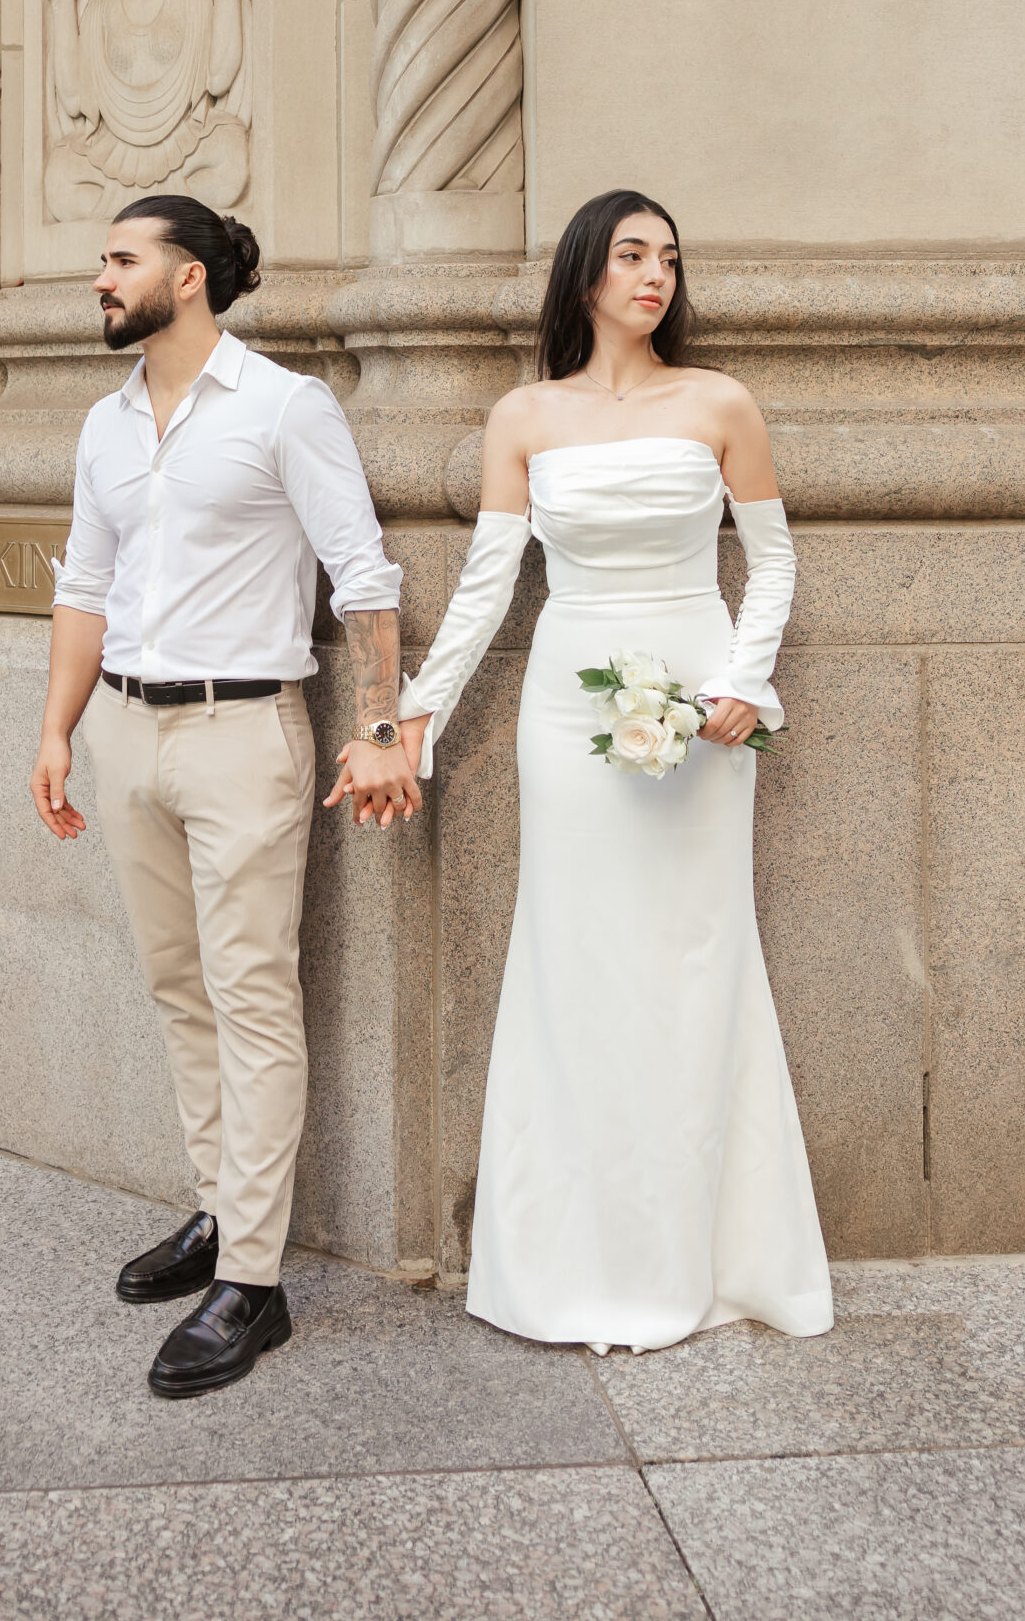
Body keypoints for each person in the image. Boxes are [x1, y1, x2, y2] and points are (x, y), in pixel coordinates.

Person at [330, 188, 833, 1352]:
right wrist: (411, 722)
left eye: (668, 255)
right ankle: (570, 1258)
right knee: (573, 957)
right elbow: (486, 592)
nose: (654, 274)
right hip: (567, 706)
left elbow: (773, 563)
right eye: (630, 254)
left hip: (700, 702)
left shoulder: (720, 403)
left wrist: (742, 682)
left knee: (699, 955)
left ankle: (706, 1255)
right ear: (585, 274)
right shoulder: (524, 416)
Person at [31, 193, 419, 1396]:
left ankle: (253, 1280)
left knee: (252, 995)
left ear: (187, 277)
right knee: (177, 984)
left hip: (246, 730)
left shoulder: (285, 405)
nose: (101, 277)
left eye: (121, 259)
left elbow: (363, 576)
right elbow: (85, 585)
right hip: (127, 732)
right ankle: (216, 1209)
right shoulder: (105, 424)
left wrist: (383, 724)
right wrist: (55, 728)